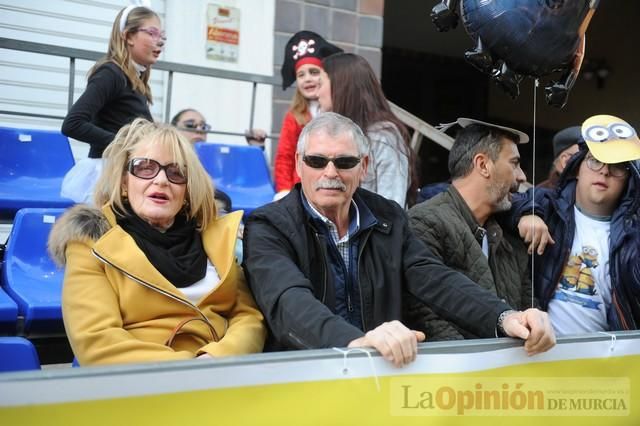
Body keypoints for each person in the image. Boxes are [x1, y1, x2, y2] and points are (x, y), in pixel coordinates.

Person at [242, 112, 555, 367]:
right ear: (298, 163)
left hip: (382, 377)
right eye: (316, 161)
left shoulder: (387, 217)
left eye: (344, 162)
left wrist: (504, 316)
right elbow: (288, 302)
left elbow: (433, 278)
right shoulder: (269, 224)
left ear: (363, 167)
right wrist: (355, 343)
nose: (330, 172)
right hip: (299, 382)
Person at [48, 119, 266, 365]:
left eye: (176, 172)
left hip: (223, 374)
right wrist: (191, 368)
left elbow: (248, 317)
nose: (161, 180)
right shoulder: (91, 243)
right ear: (123, 182)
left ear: (186, 189)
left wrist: (217, 358)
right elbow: (97, 341)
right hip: (144, 388)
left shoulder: (216, 236)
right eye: (144, 168)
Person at [405, 118, 534, 341]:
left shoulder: (509, 235)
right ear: (483, 165)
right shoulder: (423, 222)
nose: (522, 176)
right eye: (514, 163)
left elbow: (528, 308)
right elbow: (422, 313)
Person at [512, 114, 640, 335]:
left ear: (629, 180)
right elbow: (502, 203)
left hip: (605, 359)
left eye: (617, 166)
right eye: (595, 160)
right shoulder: (545, 204)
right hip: (536, 350)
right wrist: (524, 214)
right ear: (577, 167)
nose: (604, 170)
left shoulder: (634, 235)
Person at [61, 5, 164, 203]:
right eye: (152, 33)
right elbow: (72, 124)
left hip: (126, 171)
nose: (159, 41)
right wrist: (126, 144)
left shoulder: (134, 78)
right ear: (128, 36)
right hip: (109, 175)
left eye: (162, 36)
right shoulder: (110, 73)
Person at [317, 53, 416, 207]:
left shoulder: (382, 137)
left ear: (341, 86)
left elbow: (391, 207)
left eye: (321, 84)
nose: (317, 93)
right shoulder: (328, 131)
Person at [273, 30, 342, 198]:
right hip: (299, 190)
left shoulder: (338, 110)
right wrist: (284, 191)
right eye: (301, 75)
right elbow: (285, 157)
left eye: (314, 72)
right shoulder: (294, 116)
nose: (308, 79)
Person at [171, 108, 267, 147]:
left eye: (204, 127)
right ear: (174, 130)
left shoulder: (216, 159)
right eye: (190, 125)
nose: (199, 130)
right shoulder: (164, 157)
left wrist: (257, 147)